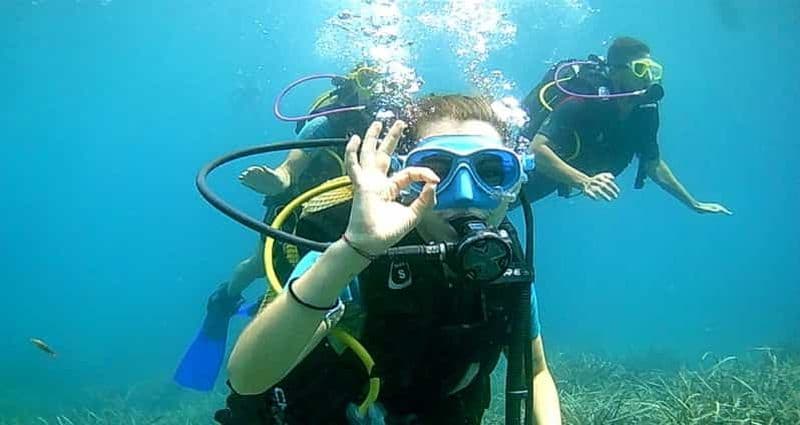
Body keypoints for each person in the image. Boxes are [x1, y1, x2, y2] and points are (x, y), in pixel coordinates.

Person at [213, 95, 563, 424]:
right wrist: (353, 250)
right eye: (435, 171)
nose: (466, 195)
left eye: (491, 172)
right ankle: (224, 301)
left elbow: (536, 371)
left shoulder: (502, 263)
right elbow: (246, 378)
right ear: (404, 179)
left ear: (515, 182)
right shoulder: (356, 252)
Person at [173, 67, 378, 392]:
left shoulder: (396, 125)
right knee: (258, 265)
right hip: (298, 214)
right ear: (352, 84)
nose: (377, 89)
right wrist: (277, 180)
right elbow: (289, 169)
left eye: (383, 82)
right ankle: (224, 301)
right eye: (368, 78)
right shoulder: (326, 122)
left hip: (351, 218)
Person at [520, 36, 732, 215]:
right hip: (535, 165)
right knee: (504, 201)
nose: (649, 77)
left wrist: (693, 204)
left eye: (653, 70)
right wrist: (585, 182)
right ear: (615, 72)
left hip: (562, 175)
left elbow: (652, 163)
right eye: (640, 69)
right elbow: (536, 150)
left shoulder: (645, 111)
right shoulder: (585, 97)